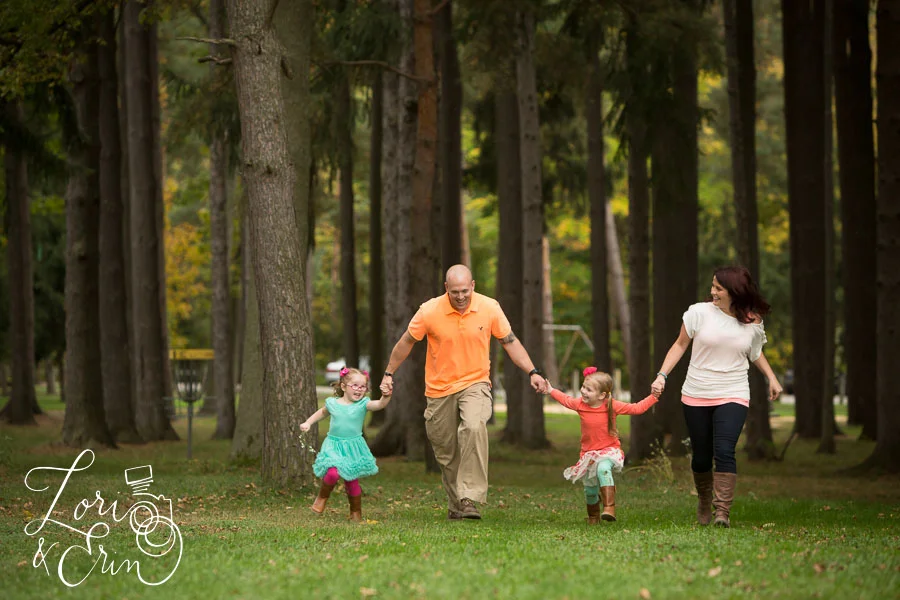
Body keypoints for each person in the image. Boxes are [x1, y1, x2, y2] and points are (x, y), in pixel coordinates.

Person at [379, 264, 546, 520]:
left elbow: (510, 342)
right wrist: (389, 372)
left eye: (465, 291)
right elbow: (407, 342)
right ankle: (457, 505)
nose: (460, 297)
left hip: (475, 382)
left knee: (474, 425)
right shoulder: (429, 310)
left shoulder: (489, 307)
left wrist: (533, 372)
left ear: (473, 286)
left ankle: (470, 497)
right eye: (455, 291)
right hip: (439, 389)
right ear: (446, 288)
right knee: (446, 452)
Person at [651, 266, 783, 528]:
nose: (712, 292)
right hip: (696, 392)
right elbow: (680, 345)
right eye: (712, 286)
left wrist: (772, 377)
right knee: (701, 456)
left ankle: (722, 511)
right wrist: (661, 376)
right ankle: (704, 500)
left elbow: (755, 353)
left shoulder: (753, 321)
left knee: (724, 451)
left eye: (718, 288)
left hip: (733, 392)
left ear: (734, 291)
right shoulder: (698, 313)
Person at [546, 367, 660, 523]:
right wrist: (551, 390)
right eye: (584, 387)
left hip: (609, 451)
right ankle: (593, 517)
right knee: (590, 489)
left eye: (589, 390)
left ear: (602, 395)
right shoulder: (580, 404)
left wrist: (653, 397)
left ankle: (609, 508)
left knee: (603, 469)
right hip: (588, 454)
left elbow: (636, 408)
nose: (584, 391)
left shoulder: (611, 405)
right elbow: (565, 399)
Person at [300, 367, 392, 522]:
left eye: (362, 387)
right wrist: (308, 422)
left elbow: (380, 405)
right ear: (343, 387)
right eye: (355, 385)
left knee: (351, 480)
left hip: (353, 447)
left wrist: (386, 396)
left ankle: (355, 512)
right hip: (334, 445)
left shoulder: (363, 404)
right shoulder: (333, 403)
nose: (359, 389)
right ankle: (322, 498)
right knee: (332, 473)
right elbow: (321, 413)